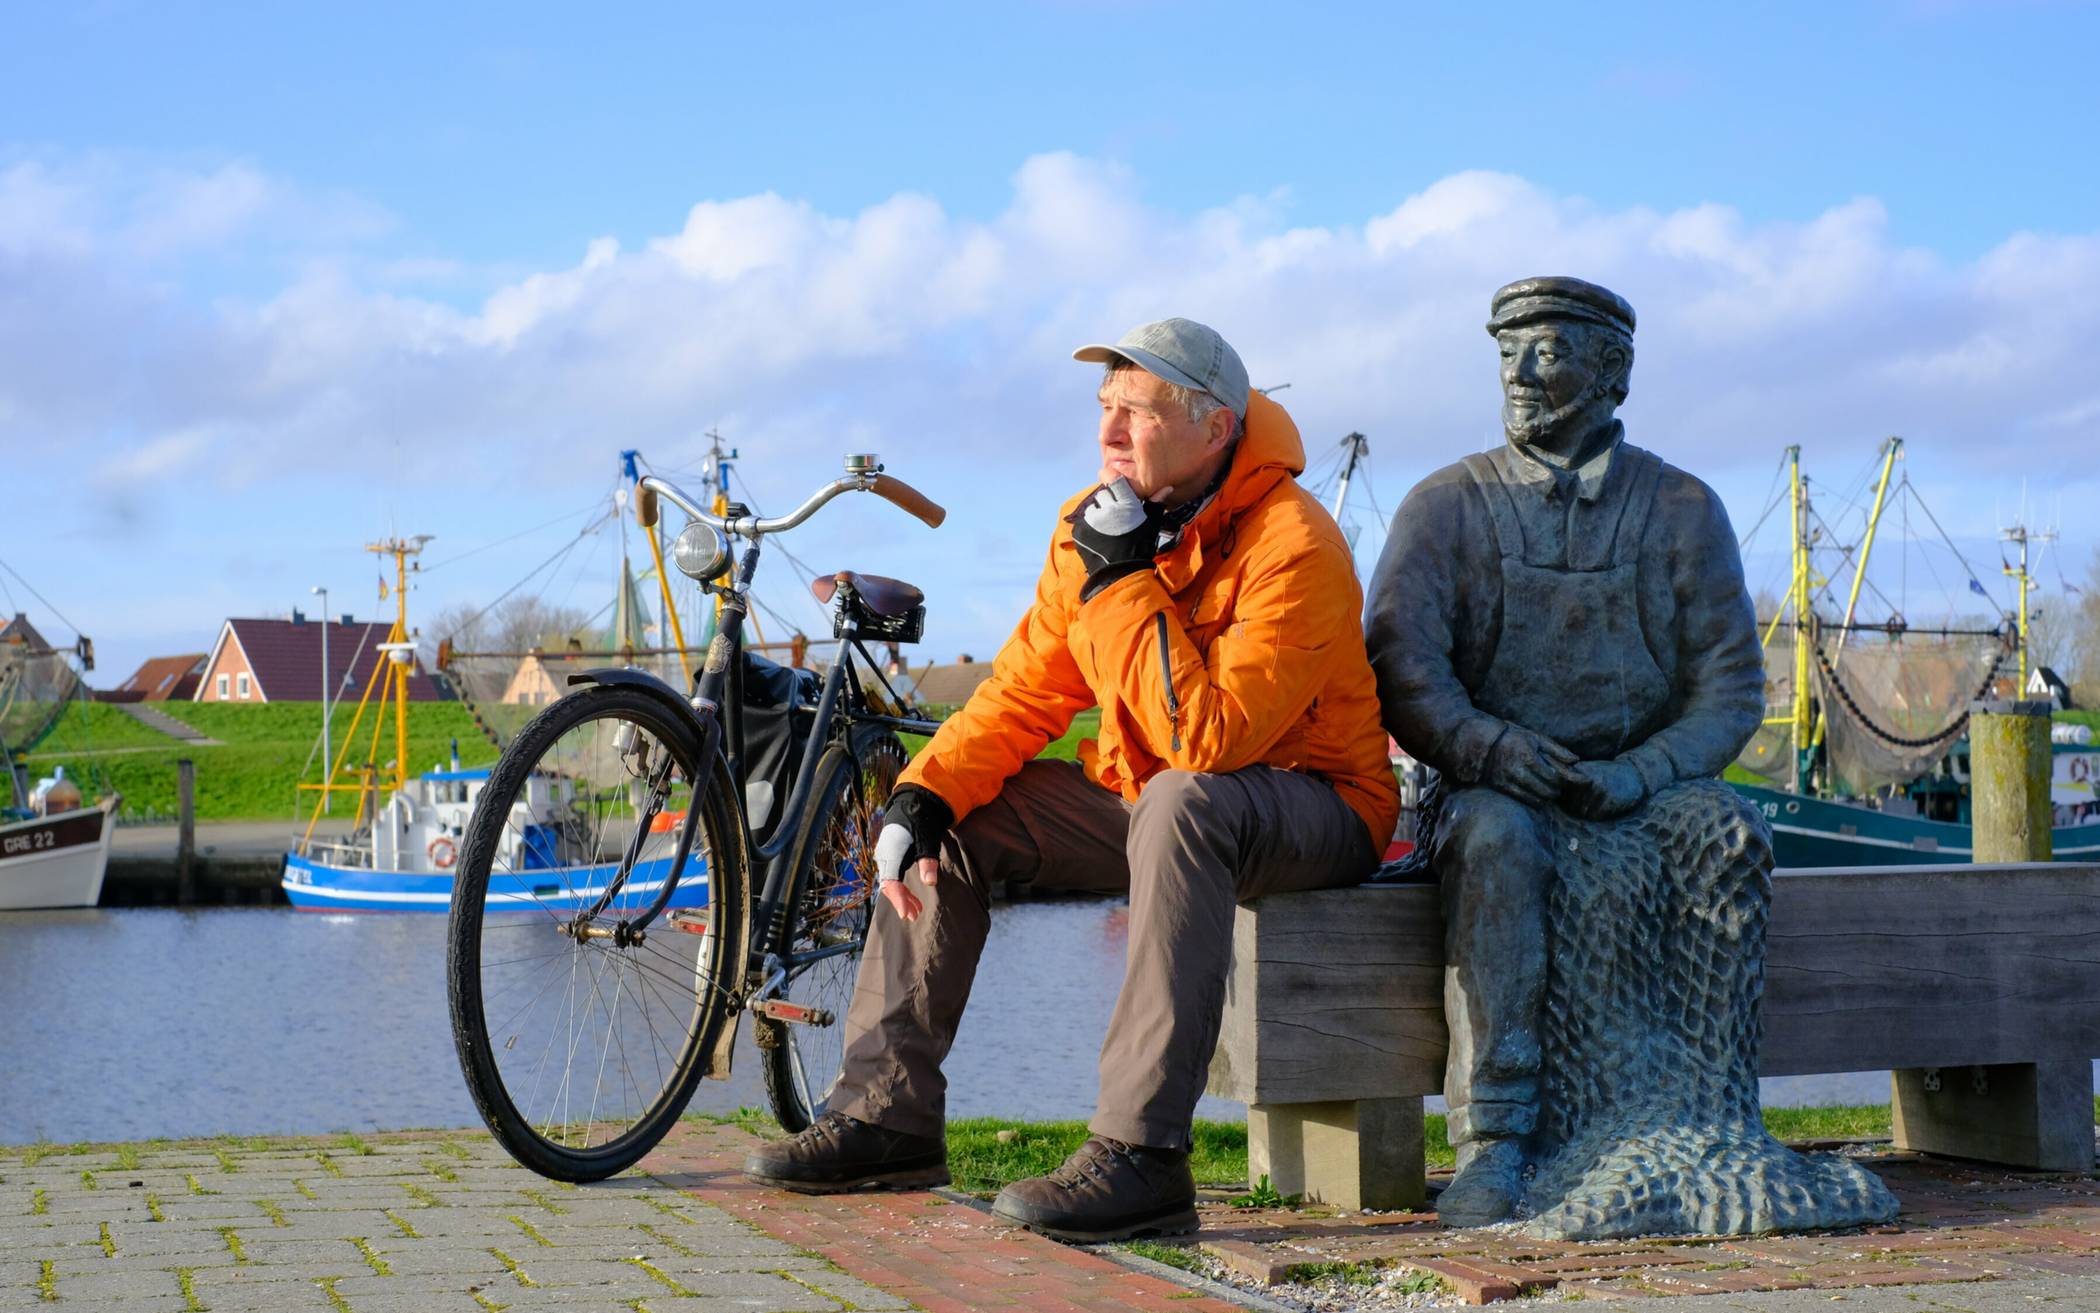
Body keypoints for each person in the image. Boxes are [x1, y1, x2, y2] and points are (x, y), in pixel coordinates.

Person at [744, 318, 1401, 1242]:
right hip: (1158, 798)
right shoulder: (1093, 528)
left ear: (1215, 429)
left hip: (1318, 805)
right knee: (963, 818)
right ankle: (884, 1115)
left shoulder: (1295, 542)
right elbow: (1021, 690)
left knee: (1180, 801)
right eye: (1106, 408)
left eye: (1137, 409)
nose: (1110, 432)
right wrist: (922, 795)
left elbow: (1206, 740)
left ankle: (1143, 1157)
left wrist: (1124, 581)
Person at [1364, 277, 1766, 1226]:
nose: (1520, 370)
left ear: (1614, 370)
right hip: (1487, 788)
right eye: (1507, 350)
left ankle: (1705, 1109)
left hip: (1641, 780)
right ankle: (1496, 1139)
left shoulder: (1681, 509)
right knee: (1499, 843)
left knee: (1731, 831)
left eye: (1547, 349)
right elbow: (1403, 665)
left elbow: (1731, 687)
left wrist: (1647, 770)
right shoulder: (1445, 507)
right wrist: (1489, 748)